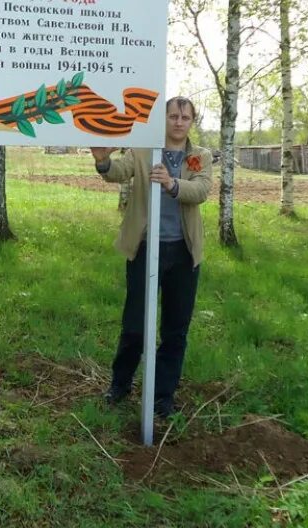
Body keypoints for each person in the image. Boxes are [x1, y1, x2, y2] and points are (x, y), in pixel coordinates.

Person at [91, 97, 212, 419]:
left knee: (175, 330)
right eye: (173, 115)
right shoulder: (145, 150)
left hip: (184, 254)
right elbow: (119, 171)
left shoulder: (199, 157)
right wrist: (104, 162)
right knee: (135, 325)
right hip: (145, 248)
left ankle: (162, 398)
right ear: (164, 119)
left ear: (191, 121)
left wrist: (173, 184)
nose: (178, 122)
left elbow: (201, 191)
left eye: (185, 117)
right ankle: (120, 384)